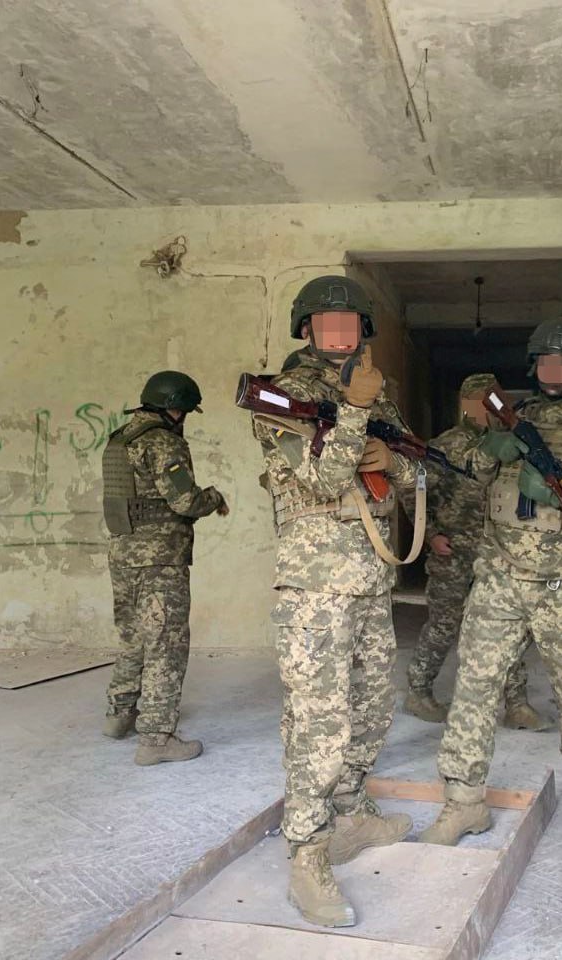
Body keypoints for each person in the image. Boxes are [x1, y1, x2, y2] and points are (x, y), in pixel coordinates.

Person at [420, 317, 562, 847]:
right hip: (499, 577)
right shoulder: (512, 418)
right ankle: (463, 800)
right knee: (474, 688)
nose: (554, 370)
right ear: (533, 365)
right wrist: (488, 449)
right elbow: (469, 469)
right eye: (546, 361)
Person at [253, 275, 419, 928]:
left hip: (372, 580)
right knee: (320, 727)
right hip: (315, 588)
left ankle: (350, 816)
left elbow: (412, 475)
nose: (340, 334)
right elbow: (321, 479)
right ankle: (309, 857)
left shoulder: (382, 393)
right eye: (328, 325)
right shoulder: (279, 396)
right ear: (306, 330)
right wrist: (354, 413)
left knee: (374, 707)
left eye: (350, 324)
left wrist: (392, 457)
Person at [404, 373, 549, 731]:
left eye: (493, 400)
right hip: (454, 550)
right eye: (479, 402)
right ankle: (418, 691)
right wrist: (431, 535)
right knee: (444, 625)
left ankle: (516, 704)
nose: (487, 409)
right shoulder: (445, 446)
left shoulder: (511, 442)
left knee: (508, 626)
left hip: (498, 550)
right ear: (466, 406)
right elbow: (413, 491)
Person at [102, 371, 228, 765]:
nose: (185, 418)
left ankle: (119, 714)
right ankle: (156, 738)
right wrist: (214, 497)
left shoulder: (119, 439)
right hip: (159, 560)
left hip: (123, 552)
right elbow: (184, 501)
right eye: (186, 411)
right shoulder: (162, 441)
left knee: (134, 635)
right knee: (165, 644)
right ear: (174, 408)